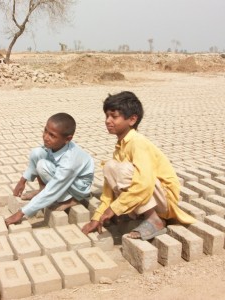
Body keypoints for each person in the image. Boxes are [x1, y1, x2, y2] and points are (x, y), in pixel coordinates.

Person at [81, 91, 196, 240]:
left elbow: (144, 185)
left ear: (132, 119)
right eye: (106, 116)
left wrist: (114, 209)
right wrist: (97, 217)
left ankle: (155, 220)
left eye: (114, 116)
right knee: (110, 166)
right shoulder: (121, 146)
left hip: (163, 200)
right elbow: (108, 189)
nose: (107, 121)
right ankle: (140, 213)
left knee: (122, 170)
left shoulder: (138, 143)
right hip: (151, 196)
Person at [5, 112, 94, 226]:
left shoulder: (69, 163)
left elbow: (53, 189)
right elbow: (36, 157)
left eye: (52, 135)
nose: (46, 137)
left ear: (68, 139)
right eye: (45, 131)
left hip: (78, 186)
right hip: (65, 176)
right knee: (37, 153)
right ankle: (42, 190)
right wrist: (22, 181)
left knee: (43, 166)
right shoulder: (58, 144)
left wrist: (21, 212)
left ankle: (73, 200)